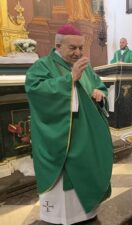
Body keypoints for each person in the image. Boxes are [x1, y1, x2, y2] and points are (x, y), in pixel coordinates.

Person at [25, 24, 113, 225]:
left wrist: (100, 94)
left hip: (86, 136)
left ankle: (86, 214)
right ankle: (61, 217)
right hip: (62, 137)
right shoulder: (42, 66)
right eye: (72, 48)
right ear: (57, 45)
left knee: (87, 172)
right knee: (66, 180)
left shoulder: (85, 66)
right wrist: (69, 79)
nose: (78, 53)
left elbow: (98, 86)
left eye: (81, 48)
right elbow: (35, 90)